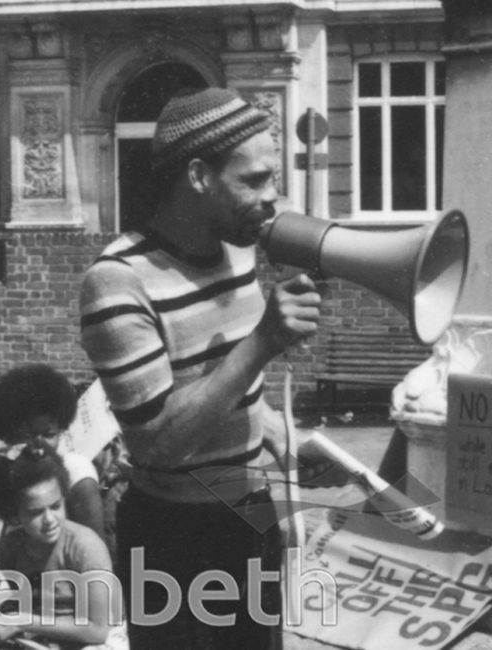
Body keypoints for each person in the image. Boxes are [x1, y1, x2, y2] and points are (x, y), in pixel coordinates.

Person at [79, 87, 324, 649]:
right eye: (256, 180)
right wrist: (263, 340)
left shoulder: (237, 251)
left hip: (249, 518)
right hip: (175, 536)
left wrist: (286, 438)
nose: (273, 199)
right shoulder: (118, 280)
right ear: (197, 176)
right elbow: (157, 444)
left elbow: (232, 392)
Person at [0, 441, 120, 648]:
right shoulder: (13, 543)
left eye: (55, 506)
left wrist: (22, 621)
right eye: (35, 512)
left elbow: (99, 630)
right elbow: (4, 598)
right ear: (13, 513)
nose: (50, 520)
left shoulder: (85, 546)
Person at [0, 365, 105, 541]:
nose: (39, 445)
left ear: (62, 430)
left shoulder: (77, 472)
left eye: (49, 435)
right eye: (27, 435)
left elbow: (97, 548)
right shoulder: (7, 469)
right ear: (8, 435)